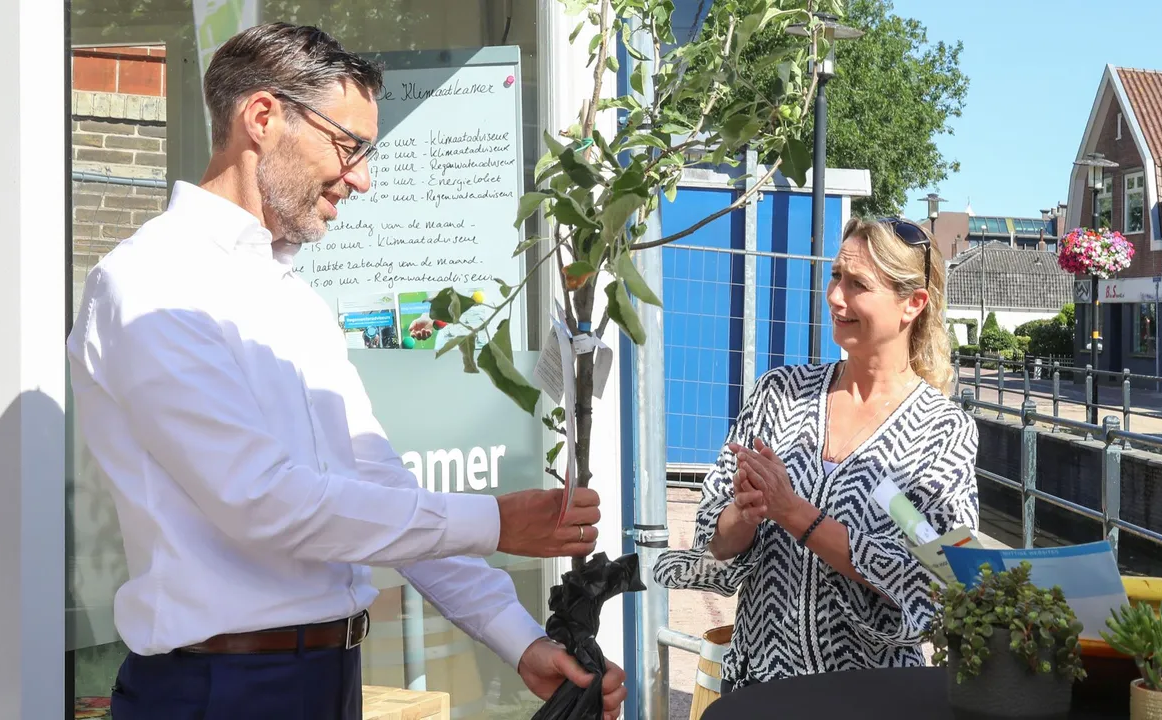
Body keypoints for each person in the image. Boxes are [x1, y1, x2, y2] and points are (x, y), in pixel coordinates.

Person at [65, 22, 625, 720]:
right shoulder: (150, 285)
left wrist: (519, 640)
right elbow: (263, 503)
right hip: (220, 692)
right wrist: (493, 520)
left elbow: (380, 488)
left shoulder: (295, 302)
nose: (362, 177)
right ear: (263, 117)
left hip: (327, 681)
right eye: (349, 145)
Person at [653, 217, 979, 691]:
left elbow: (940, 575)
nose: (835, 296)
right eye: (835, 276)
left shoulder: (941, 431)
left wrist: (795, 514)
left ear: (913, 303)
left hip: (871, 696)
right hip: (760, 687)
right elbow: (713, 540)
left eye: (858, 284)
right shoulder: (780, 395)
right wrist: (745, 513)